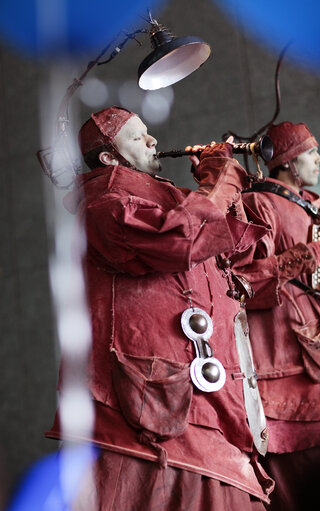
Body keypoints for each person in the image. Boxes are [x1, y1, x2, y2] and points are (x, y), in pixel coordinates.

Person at [46, 106, 274, 510]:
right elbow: (181, 240)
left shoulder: (167, 201)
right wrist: (218, 179)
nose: (153, 141)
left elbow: (241, 254)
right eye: (137, 137)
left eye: (149, 133)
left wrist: (218, 188)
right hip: (152, 415)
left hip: (204, 408)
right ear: (108, 158)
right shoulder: (104, 205)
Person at [232, 121, 320, 510]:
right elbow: (239, 282)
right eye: (312, 153)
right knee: (296, 466)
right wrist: (297, 259)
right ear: (290, 163)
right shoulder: (260, 204)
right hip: (283, 349)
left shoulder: (310, 205)